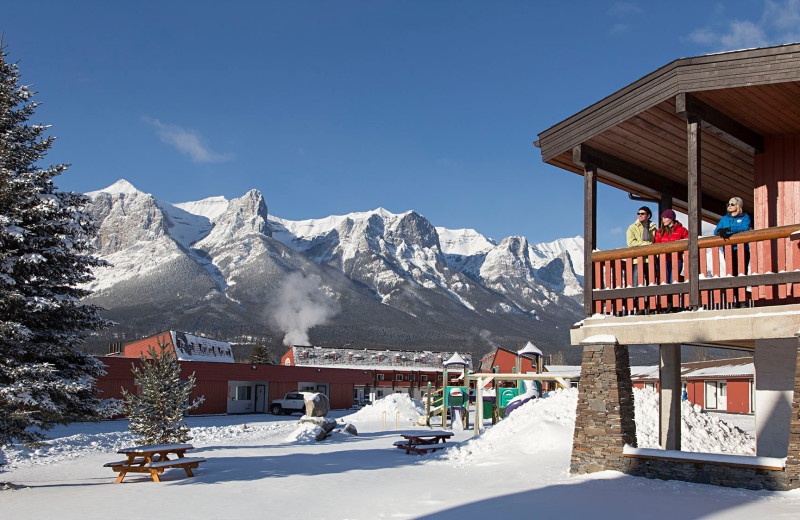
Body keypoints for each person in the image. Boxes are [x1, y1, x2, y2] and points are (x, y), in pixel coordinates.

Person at [714, 196, 752, 277]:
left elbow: (745, 228)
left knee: (742, 272)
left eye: (732, 204)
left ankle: (742, 289)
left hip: (742, 249)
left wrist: (729, 229)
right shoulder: (724, 218)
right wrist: (720, 230)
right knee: (731, 272)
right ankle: (734, 290)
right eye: (728, 204)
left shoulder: (745, 217)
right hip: (729, 249)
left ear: (738, 205)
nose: (729, 206)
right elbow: (715, 231)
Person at [655, 209, 688, 284]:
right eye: (662, 218)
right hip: (663, 260)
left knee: (674, 281)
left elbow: (687, 243)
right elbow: (656, 245)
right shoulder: (660, 231)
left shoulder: (682, 230)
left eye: (665, 218)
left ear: (671, 218)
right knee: (664, 282)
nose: (663, 220)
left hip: (676, 260)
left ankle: (673, 296)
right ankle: (666, 296)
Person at [626, 206, 657, 287]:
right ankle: (635, 299)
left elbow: (656, 242)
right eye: (638, 213)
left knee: (651, 283)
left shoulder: (653, 228)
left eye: (642, 214)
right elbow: (631, 242)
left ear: (648, 216)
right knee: (636, 283)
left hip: (650, 259)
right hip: (637, 259)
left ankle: (650, 299)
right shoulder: (632, 227)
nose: (639, 215)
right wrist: (646, 244)